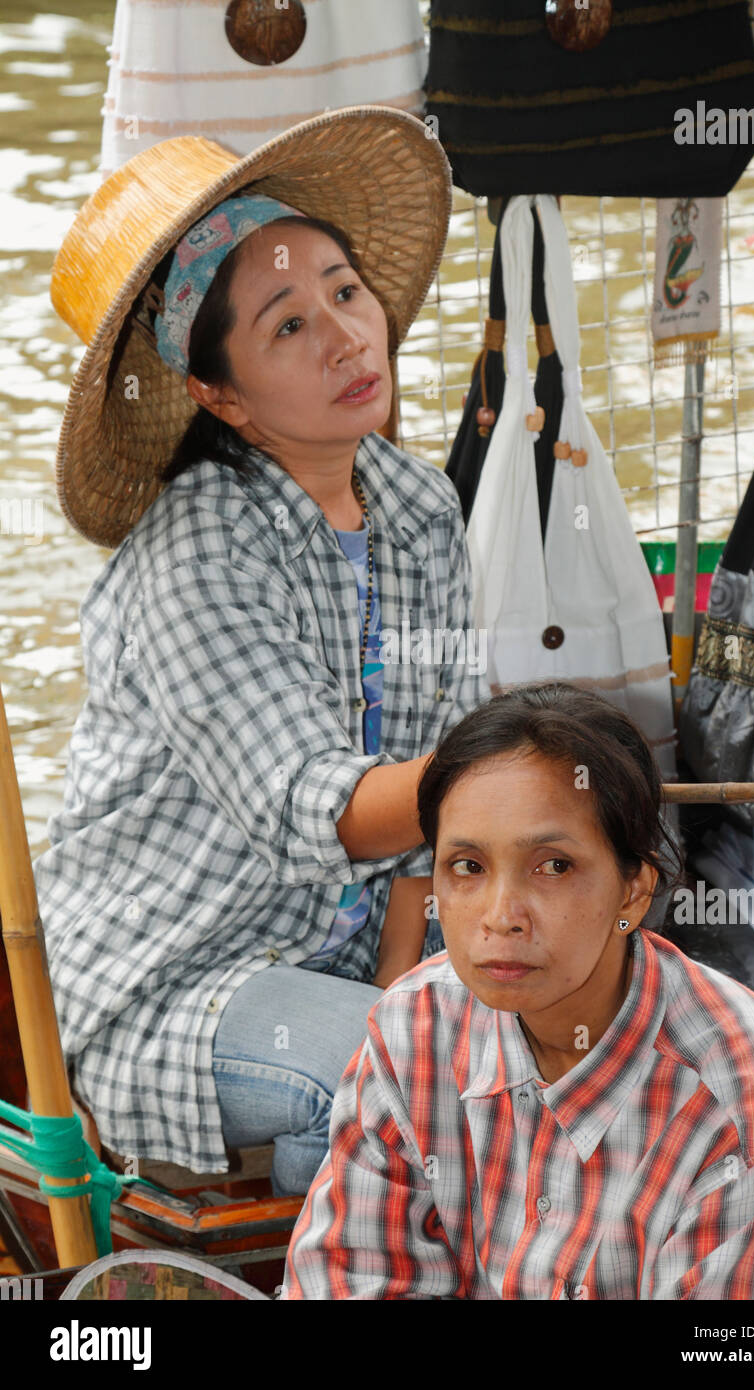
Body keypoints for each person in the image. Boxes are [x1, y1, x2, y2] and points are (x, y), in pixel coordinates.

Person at [35, 107, 489, 1195]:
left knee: (479, 1048)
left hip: (330, 962)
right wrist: (511, 765)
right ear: (218, 394)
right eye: (287, 325)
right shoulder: (194, 548)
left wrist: (399, 993)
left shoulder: (419, 505)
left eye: (343, 290)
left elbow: (420, 847)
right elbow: (313, 807)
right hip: (168, 985)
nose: (345, 333)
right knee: (403, 1074)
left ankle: (305, 1233)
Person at [283, 682, 754, 1299]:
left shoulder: (741, 1108)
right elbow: (345, 1281)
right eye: (467, 866)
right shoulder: (412, 1032)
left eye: (553, 866)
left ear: (633, 889)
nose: (501, 916)